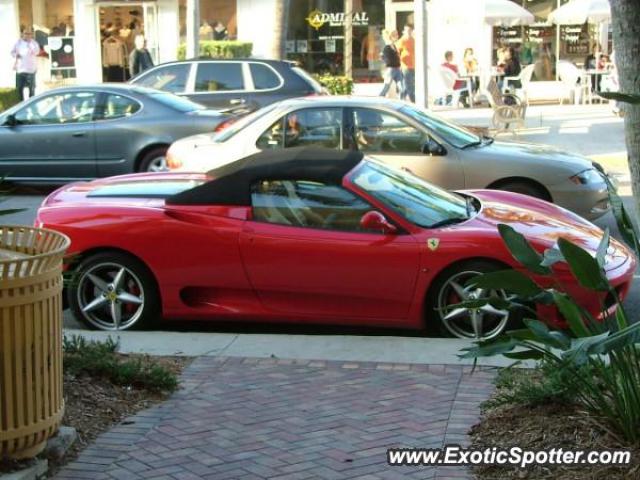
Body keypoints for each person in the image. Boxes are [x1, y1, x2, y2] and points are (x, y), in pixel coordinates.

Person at [11, 29, 40, 101]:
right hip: (20, 69)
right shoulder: (18, 42)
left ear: (31, 35)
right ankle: (21, 104)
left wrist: (30, 45)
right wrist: (16, 55)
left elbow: (36, 52)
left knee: (32, 89)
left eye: (29, 34)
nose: (27, 35)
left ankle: (31, 104)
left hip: (31, 69)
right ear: (22, 34)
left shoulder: (34, 43)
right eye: (26, 33)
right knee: (19, 89)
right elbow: (12, 52)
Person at [379, 29, 403, 98]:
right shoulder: (387, 47)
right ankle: (379, 99)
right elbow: (383, 57)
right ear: (391, 36)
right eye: (395, 35)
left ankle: (401, 102)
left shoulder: (394, 46)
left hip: (397, 69)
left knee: (402, 88)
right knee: (386, 87)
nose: (397, 36)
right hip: (391, 69)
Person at [396, 25, 415, 102]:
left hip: (414, 66)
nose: (409, 32)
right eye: (407, 30)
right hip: (405, 66)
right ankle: (413, 100)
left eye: (410, 30)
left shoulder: (414, 40)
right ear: (404, 31)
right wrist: (399, 64)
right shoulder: (401, 41)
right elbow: (396, 53)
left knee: (408, 84)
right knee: (409, 84)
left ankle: (401, 99)